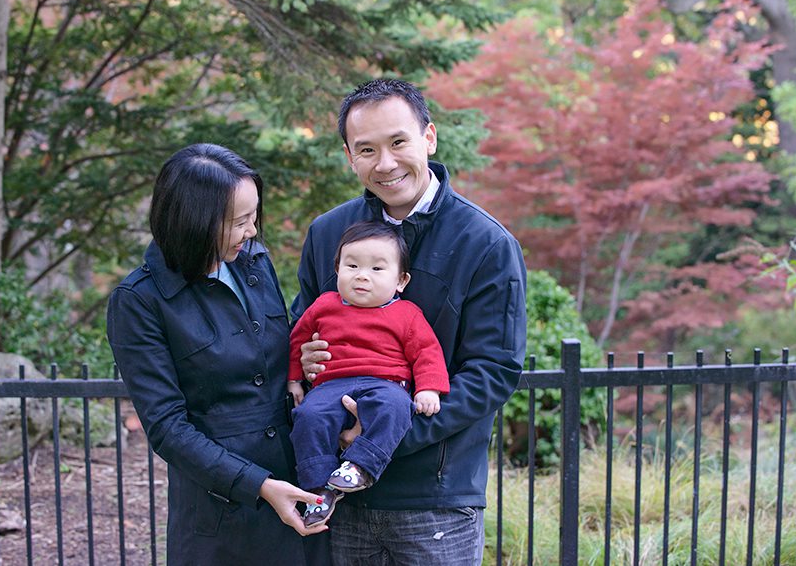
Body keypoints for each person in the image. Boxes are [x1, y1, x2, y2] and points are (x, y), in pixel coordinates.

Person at [291, 79, 527, 565]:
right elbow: (300, 329)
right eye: (366, 149)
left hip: (435, 498)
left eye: (398, 142)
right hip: (336, 500)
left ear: (429, 138)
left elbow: (493, 370)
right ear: (349, 157)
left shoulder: (485, 243)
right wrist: (305, 362)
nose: (385, 163)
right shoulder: (328, 233)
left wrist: (383, 436)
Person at [106, 143, 331, 566]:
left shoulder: (254, 262)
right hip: (222, 512)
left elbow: (273, 356)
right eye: (239, 222)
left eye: (254, 217)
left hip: (300, 484)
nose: (252, 231)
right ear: (195, 221)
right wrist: (259, 485)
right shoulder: (139, 300)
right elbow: (167, 428)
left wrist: (301, 365)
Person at [287, 220, 450, 528]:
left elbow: (426, 352)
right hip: (331, 384)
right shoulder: (324, 305)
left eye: (377, 269)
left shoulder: (407, 314)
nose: (362, 275)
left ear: (401, 280)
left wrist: (428, 388)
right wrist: (294, 379)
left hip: (385, 383)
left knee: (396, 407)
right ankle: (318, 489)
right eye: (352, 266)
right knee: (308, 415)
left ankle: (360, 466)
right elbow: (298, 339)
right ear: (337, 269)